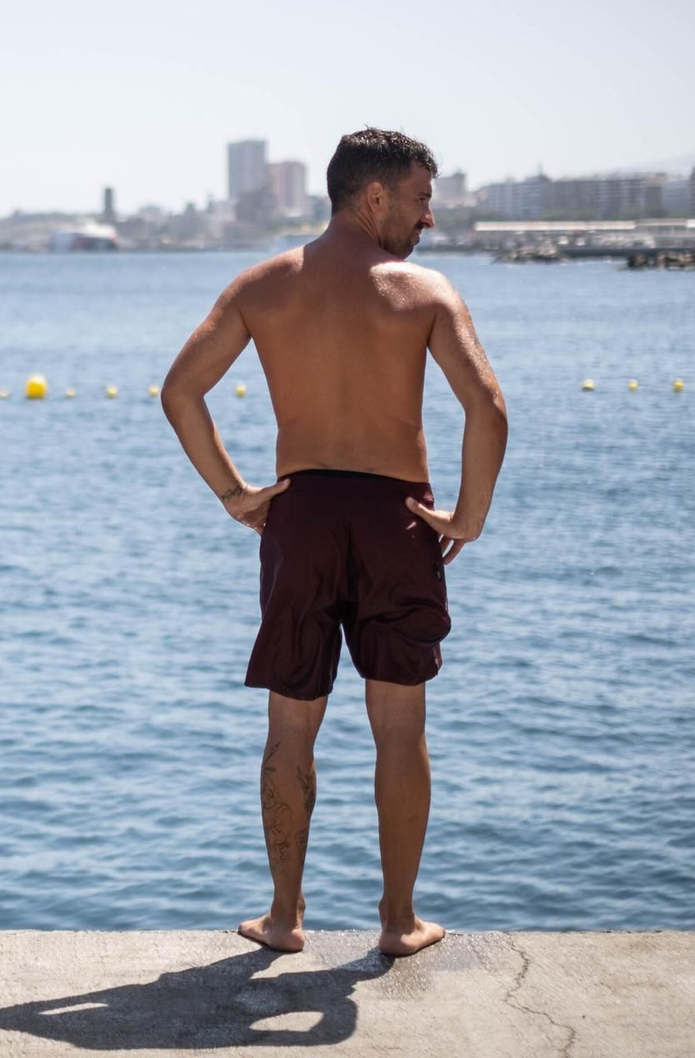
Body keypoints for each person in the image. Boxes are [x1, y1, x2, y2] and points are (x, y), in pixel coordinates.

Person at [161, 127, 507, 959]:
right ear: (375, 196)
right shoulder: (424, 292)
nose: (429, 221)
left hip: (302, 516)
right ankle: (397, 921)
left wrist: (235, 494)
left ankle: (284, 919)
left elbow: (179, 392)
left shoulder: (264, 284)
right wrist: (468, 516)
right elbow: (488, 409)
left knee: (290, 729)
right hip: (398, 522)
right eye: (423, 199)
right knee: (399, 725)